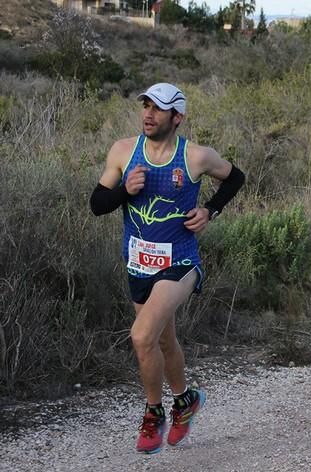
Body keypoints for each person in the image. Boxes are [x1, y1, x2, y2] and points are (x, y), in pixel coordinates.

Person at [89, 83, 245, 453]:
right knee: (163, 340)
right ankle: (185, 400)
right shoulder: (124, 151)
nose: (148, 113)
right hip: (138, 262)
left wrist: (210, 210)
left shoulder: (195, 157)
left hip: (180, 261)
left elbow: (235, 177)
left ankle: (153, 412)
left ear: (177, 117)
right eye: (145, 105)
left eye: (158, 108)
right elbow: (97, 204)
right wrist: (125, 190)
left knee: (142, 336)